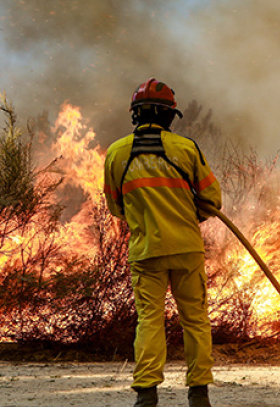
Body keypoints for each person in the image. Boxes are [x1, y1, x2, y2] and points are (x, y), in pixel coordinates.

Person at [103, 78, 223, 407]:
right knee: (195, 319)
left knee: (149, 320)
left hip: (146, 252)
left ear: (135, 115)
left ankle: (146, 393)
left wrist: (147, 214)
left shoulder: (115, 153)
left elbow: (116, 208)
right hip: (186, 248)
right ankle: (199, 393)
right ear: (170, 116)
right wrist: (188, 214)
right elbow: (212, 200)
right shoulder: (186, 149)